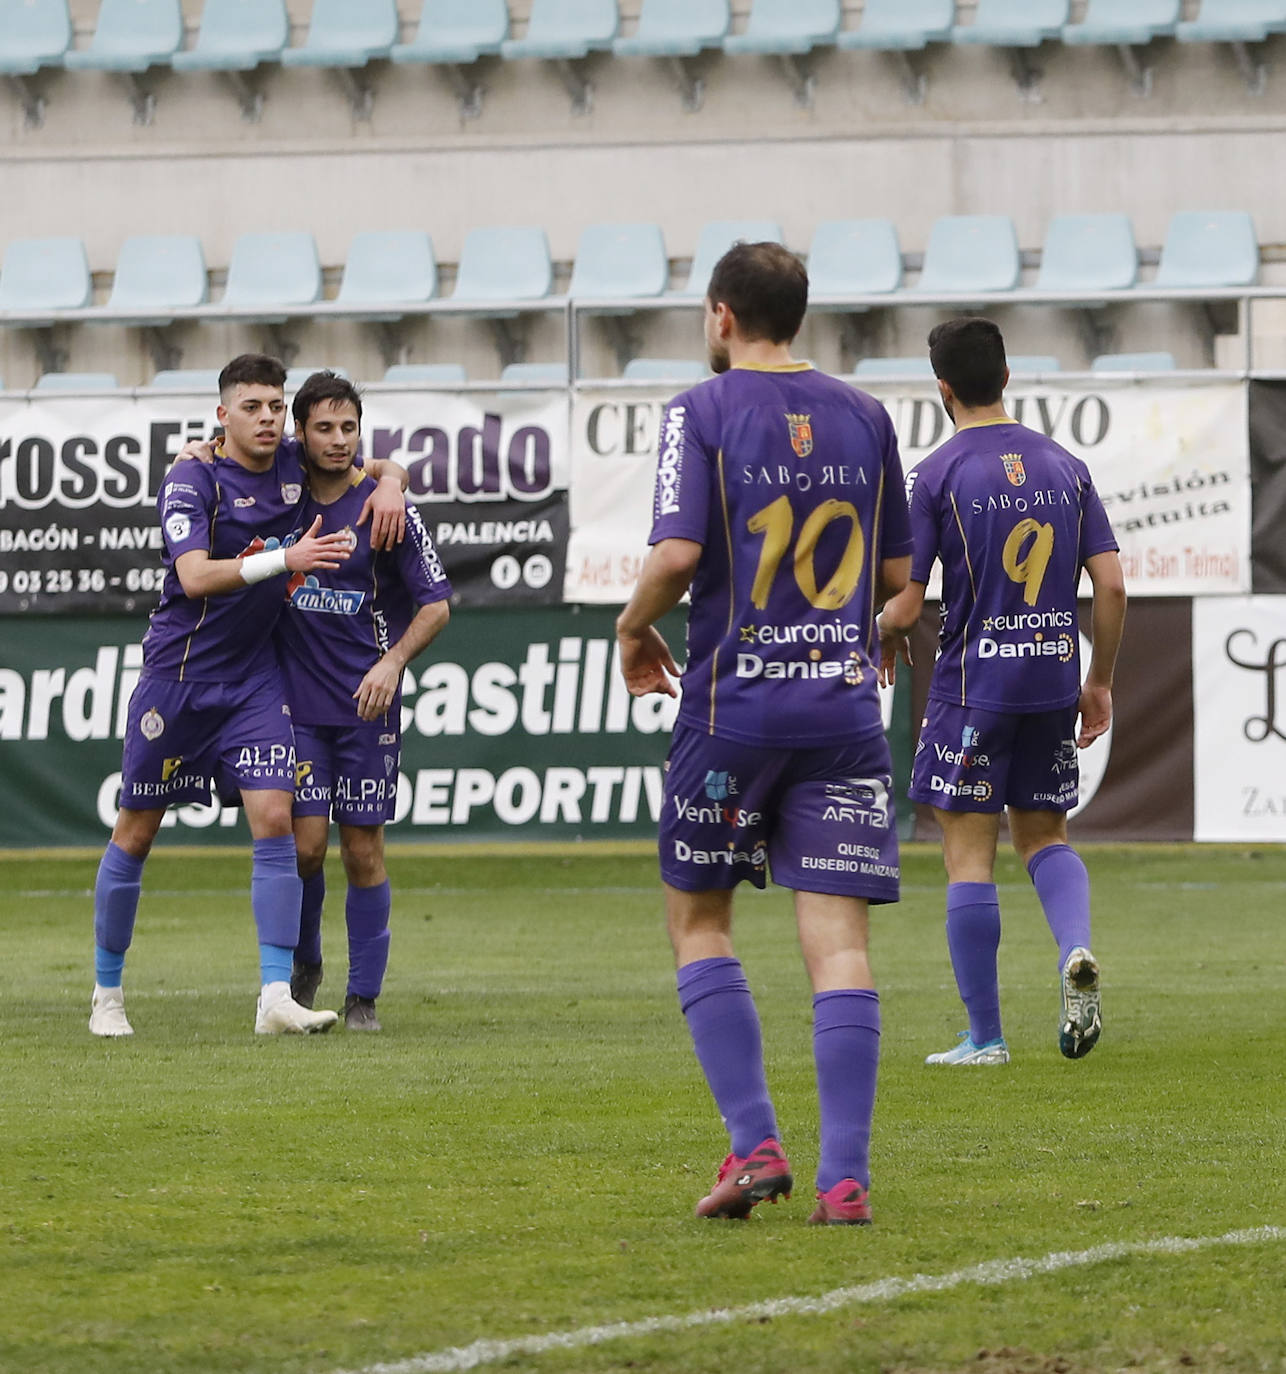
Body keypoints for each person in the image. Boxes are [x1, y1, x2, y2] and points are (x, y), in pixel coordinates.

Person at [615, 242, 913, 1226]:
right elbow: (898, 583)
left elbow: (677, 552)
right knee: (838, 949)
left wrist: (629, 626)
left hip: (730, 716)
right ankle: (844, 1179)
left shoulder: (698, 413)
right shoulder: (867, 417)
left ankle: (752, 1148)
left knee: (698, 922)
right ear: (798, 311)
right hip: (839, 714)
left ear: (719, 316)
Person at [89, 353, 408, 1038]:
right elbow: (196, 576)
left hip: (257, 681)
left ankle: (274, 995)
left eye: (274, 406)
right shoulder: (191, 474)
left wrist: (395, 484)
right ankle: (107, 995)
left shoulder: (295, 462)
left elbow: (366, 465)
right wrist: (284, 561)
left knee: (277, 822)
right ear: (222, 414)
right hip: (178, 676)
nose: (267, 418)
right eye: (253, 407)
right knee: (136, 832)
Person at [877, 317, 1127, 1066]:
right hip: (1052, 678)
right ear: (1009, 377)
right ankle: (1074, 948)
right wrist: (1100, 680)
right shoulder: (1067, 466)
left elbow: (909, 602)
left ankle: (985, 1037)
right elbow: (1111, 582)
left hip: (971, 687)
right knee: (1045, 837)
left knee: (968, 857)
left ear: (942, 389)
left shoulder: (937, 475)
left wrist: (879, 629)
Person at [275, 372, 452, 1032]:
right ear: (300, 433)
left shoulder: (388, 509)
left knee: (364, 852)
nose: (338, 439)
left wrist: (392, 663)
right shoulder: (281, 490)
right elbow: (224, 452)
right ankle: (306, 964)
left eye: (349, 427)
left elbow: (435, 607)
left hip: (365, 708)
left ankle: (362, 999)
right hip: (294, 707)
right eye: (323, 427)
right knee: (306, 849)